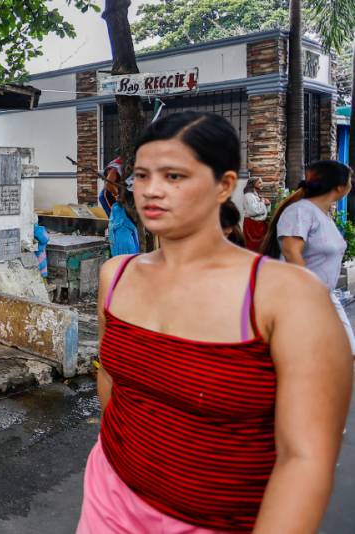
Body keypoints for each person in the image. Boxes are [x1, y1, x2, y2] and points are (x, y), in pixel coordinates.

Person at [79, 112, 351, 533]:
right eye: (141, 175)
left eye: (173, 176)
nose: (151, 190)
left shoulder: (286, 296)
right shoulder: (115, 275)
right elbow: (112, 381)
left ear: (224, 185)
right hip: (109, 497)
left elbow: (305, 458)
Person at [262, 160, 355, 354]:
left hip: (324, 295)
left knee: (346, 352)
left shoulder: (322, 215)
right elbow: (290, 251)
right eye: (350, 180)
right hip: (299, 296)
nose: (351, 184)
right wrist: (310, 294)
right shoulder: (300, 211)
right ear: (339, 186)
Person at [242, 177, 270, 251]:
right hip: (252, 225)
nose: (262, 184)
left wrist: (266, 203)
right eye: (259, 182)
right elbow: (253, 211)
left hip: (258, 225)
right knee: (252, 247)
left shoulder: (255, 195)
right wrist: (263, 202)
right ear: (253, 184)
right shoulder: (248, 196)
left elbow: (261, 208)